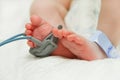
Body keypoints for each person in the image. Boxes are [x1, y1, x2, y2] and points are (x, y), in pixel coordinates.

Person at [25, 0, 120, 60]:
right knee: (42, 5)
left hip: (108, 28)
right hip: (72, 23)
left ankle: (101, 48)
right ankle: (56, 40)